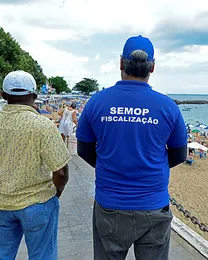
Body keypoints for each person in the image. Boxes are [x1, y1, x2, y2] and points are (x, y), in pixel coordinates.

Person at [76, 35, 188, 260]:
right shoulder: (168, 107)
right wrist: (150, 166)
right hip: (154, 206)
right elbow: (178, 154)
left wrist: (109, 164)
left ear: (120, 64)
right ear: (153, 67)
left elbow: (84, 150)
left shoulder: (97, 102)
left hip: (110, 205)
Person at [0, 71, 71, 260]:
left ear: (3, 95)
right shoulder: (43, 126)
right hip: (37, 203)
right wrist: (57, 192)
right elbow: (61, 171)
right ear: (34, 96)